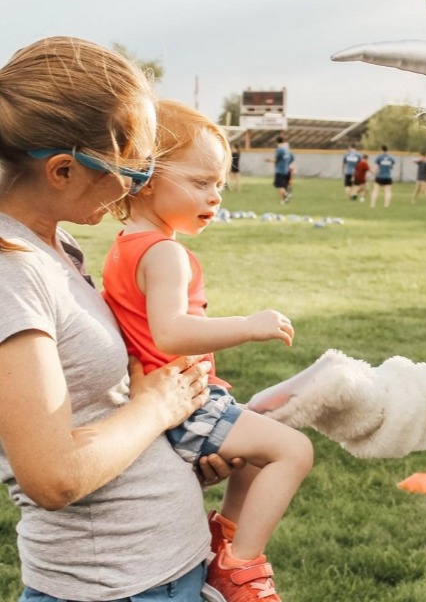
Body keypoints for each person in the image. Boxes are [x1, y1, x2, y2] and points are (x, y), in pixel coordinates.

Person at [0, 37, 240, 602]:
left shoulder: (54, 248)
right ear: (62, 170)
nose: (136, 188)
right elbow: (54, 475)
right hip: (112, 587)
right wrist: (158, 408)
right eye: (129, 172)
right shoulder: (10, 273)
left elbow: (96, 406)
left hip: (161, 571)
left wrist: (176, 447)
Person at [104, 99, 314, 602]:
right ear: (148, 178)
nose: (215, 196)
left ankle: (225, 538)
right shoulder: (165, 253)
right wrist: (249, 325)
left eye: (219, 183)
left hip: (175, 400)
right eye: (201, 183)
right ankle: (241, 568)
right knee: (293, 451)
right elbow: (171, 334)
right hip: (182, 405)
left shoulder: (124, 245)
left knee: (266, 441)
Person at [265, 136, 294, 204]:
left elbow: (276, 160)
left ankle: (286, 195)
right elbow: (292, 158)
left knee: (280, 186)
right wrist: (287, 163)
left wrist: (268, 160)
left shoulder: (279, 150)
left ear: (276, 142)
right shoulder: (287, 150)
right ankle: (282, 201)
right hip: (286, 170)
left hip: (280, 170)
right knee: (283, 186)